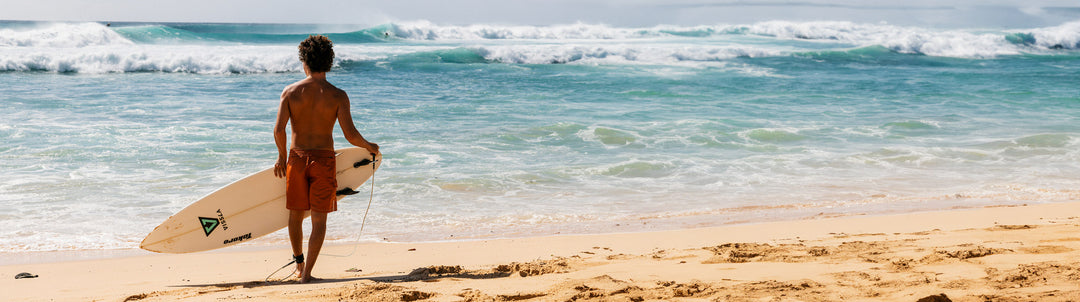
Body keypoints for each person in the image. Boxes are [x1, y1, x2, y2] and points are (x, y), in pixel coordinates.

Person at [273, 35, 379, 283]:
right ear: (329, 62)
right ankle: (307, 274)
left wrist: (280, 156)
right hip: (323, 161)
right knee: (319, 218)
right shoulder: (338, 95)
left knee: (296, 214)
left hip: (296, 158)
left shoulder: (290, 92)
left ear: (304, 62)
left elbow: (279, 130)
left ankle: (298, 264)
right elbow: (350, 135)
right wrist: (370, 146)